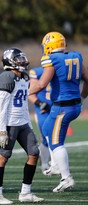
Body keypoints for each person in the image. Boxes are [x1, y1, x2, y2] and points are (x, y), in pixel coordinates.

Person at [29, 31, 88, 192]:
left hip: (62, 106)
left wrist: (25, 91)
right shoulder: (76, 56)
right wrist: (81, 98)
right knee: (47, 128)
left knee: (56, 143)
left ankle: (66, 178)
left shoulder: (51, 59)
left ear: (48, 46)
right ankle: (55, 165)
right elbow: (87, 79)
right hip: (73, 104)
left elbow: (41, 84)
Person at [0, 48, 44, 204]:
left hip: (23, 123)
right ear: (10, 61)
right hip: (9, 124)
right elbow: (1, 107)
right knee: (3, 158)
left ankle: (25, 192)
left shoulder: (24, 77)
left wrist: (28, 124)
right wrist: (2, 131)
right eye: (18, 59)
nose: (22, 61)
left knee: (34, 152)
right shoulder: (7, 77)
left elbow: (23, 105)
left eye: (22, 58)